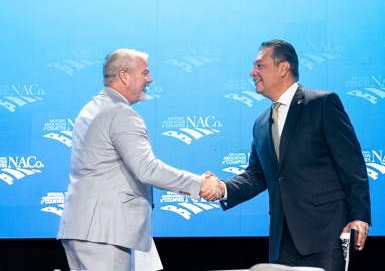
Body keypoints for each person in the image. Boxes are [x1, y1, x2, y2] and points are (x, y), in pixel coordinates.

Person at [202, 40, 371, 271]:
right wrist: (222, 188)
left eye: (259, 65)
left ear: (284, 68)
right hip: (282, 243)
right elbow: (256, 175)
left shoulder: (321, 103)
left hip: (326, 237)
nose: (253, 73)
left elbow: (352, 165)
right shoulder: (261, 123)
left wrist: (359, 216)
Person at [57, 49, 222, 271]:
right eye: (144, 73)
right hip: (105, 232)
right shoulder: (121, 113)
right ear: (124, 76)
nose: (150, 79)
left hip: (82, 229)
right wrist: (199, 185)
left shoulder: (92, 108)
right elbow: (147, 169)